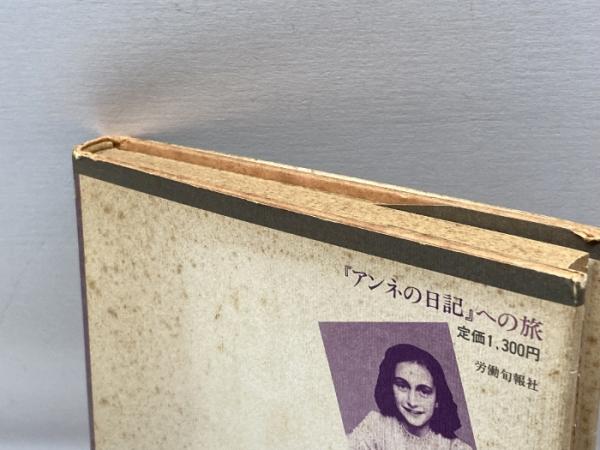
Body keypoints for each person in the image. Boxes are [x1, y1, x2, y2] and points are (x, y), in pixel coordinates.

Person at [347, 344, 473, 450]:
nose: (412, 401)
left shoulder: (455, 447)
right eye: (402, 386)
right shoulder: (375, 426)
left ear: (438, 399)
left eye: (424, 391)